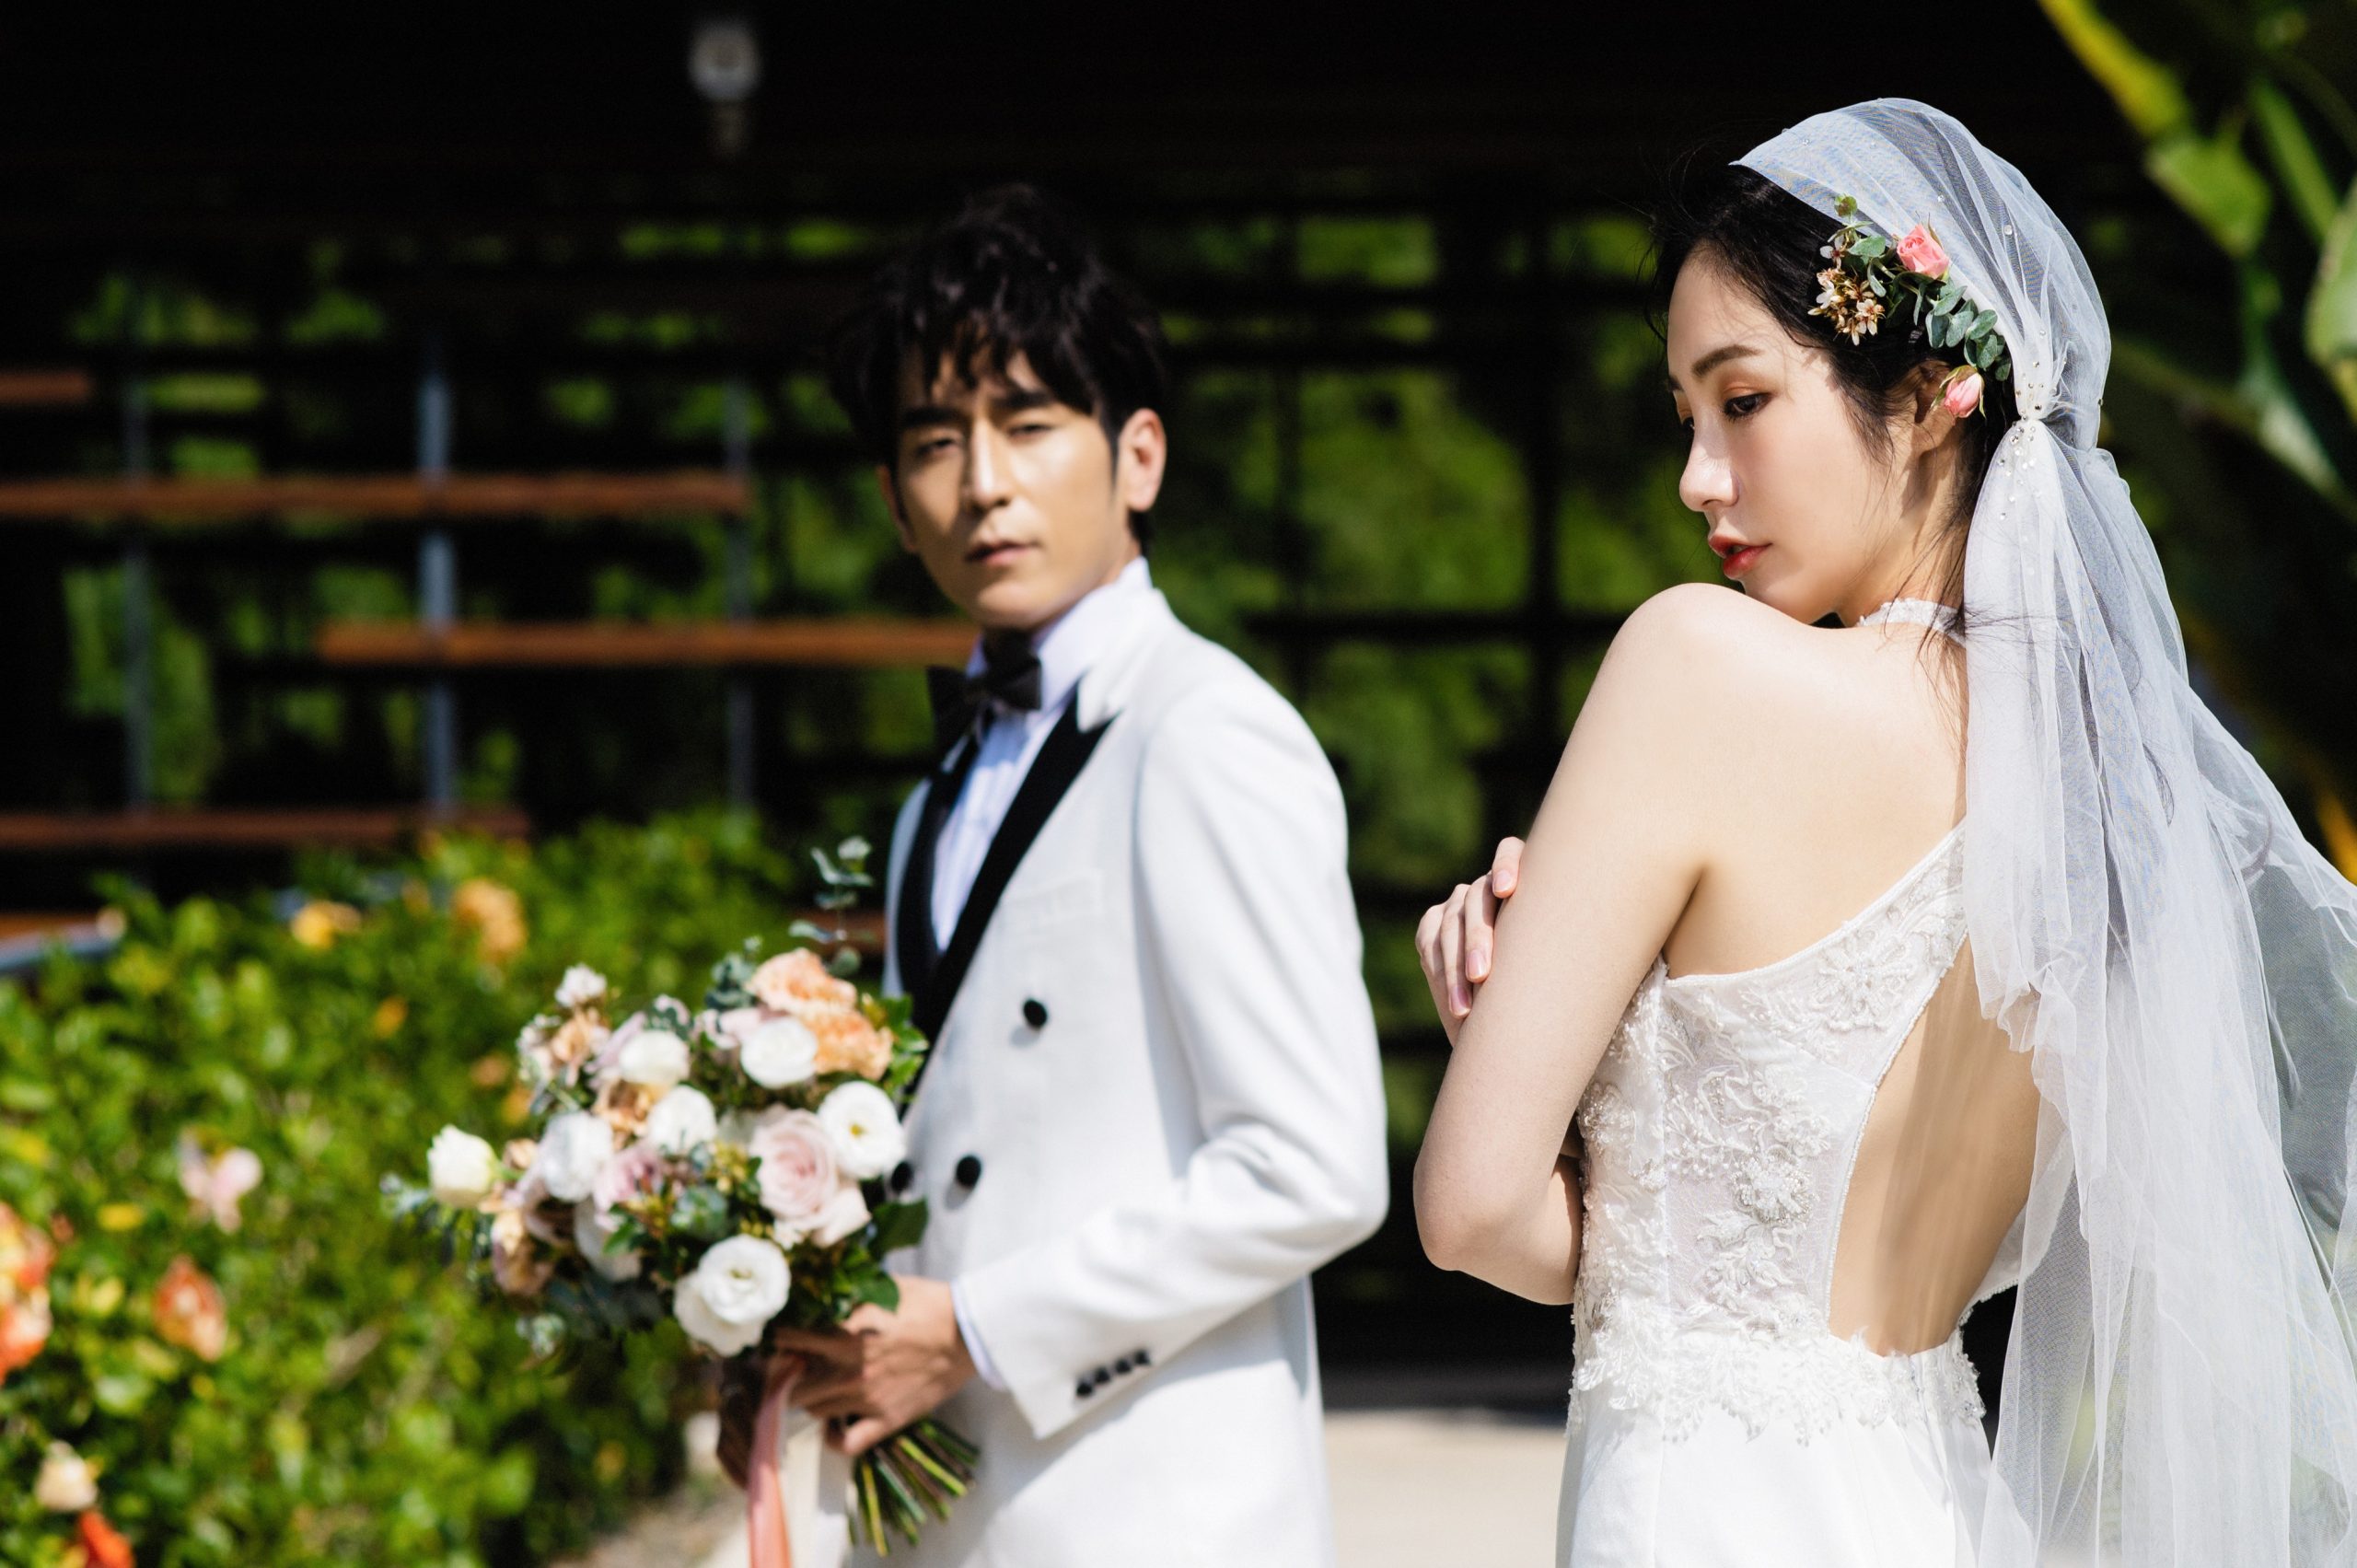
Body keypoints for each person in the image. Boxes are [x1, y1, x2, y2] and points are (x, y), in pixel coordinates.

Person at [1413, 99, 2357, 1566]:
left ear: (1923, 398)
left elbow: (1475, 1214)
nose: (1697, 478)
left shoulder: (1696, 667)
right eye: (1685, 418)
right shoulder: (2101, 807)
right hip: (1939, 1506)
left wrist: (1511, 1042)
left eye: (1742, 401)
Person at [718, 185, 1389, 1567]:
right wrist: (792, 1339)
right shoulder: (930, 803)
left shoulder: (1208, 733)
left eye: (1027, 425)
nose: (983, 482)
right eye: (934, 442)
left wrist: (973, 1330)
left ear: (1138, 456)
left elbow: (1316, 1166)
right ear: (895, 506)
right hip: (954, 1516)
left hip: (1158, 1517)